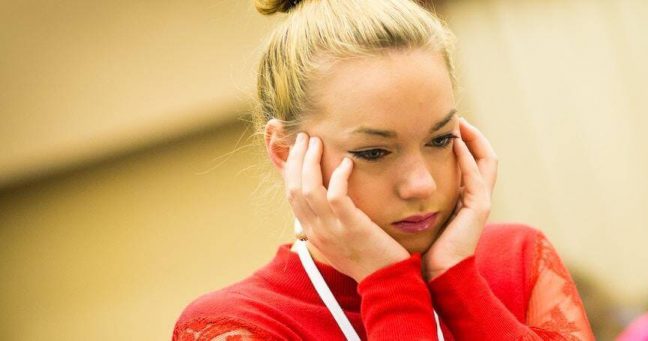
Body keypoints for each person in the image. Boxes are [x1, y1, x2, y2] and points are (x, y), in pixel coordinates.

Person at [172, 0, 594, 339]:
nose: (421, 184)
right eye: (374, 152)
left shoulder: (519, 259)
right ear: (286, 151)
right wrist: (389, 286)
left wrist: (458, 283)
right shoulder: (236, 324)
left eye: (439, 139)